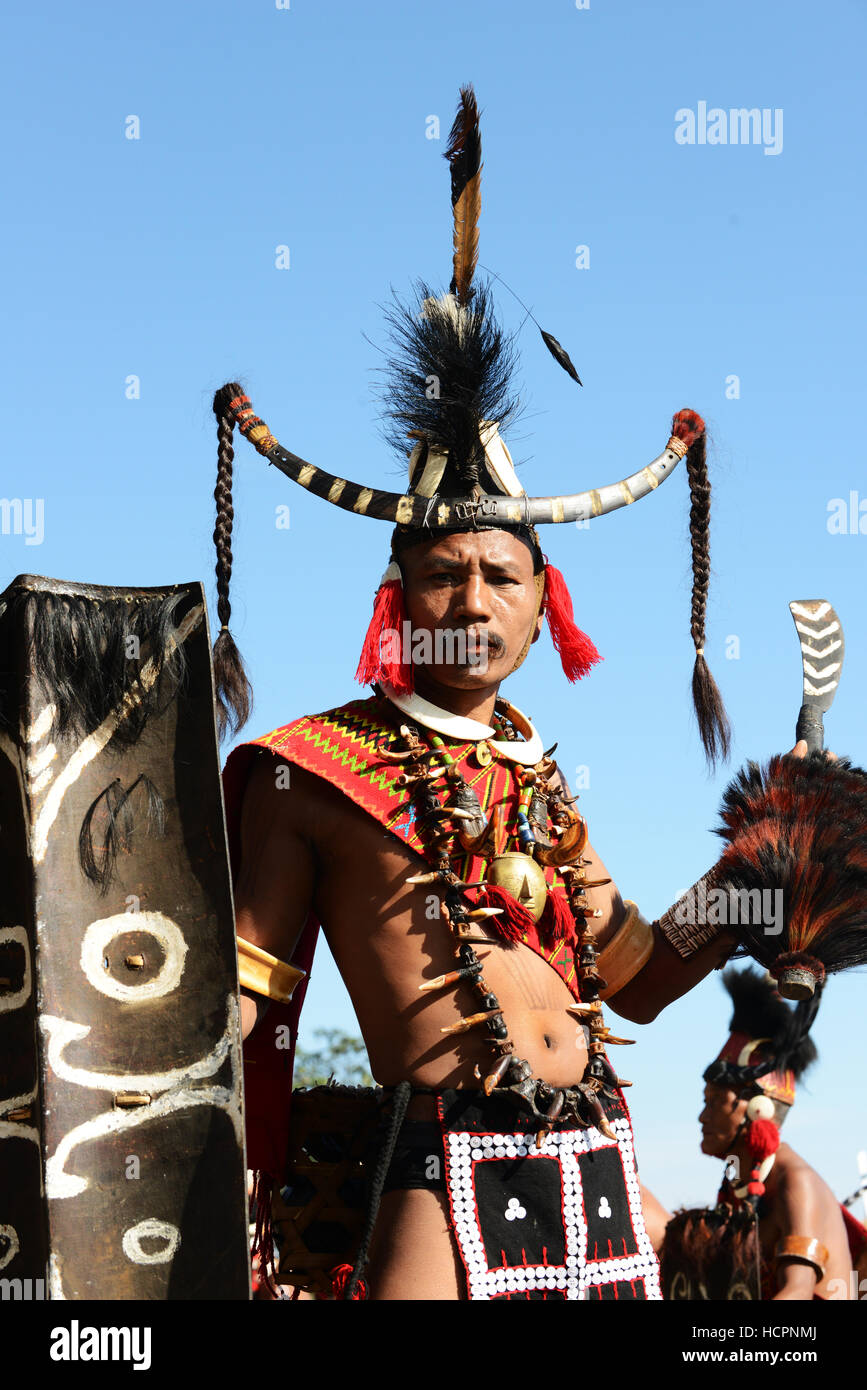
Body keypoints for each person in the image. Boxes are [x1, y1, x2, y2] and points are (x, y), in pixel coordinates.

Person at [213, 89, 867, 1301]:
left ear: (542, 601)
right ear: (394, 593)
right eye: (443, 573)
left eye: (498, 575)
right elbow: (238, 1024)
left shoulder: (540, 777)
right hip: (436, 1164)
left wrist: (757, 881)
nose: (470, 600)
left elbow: (628, 973)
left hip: (600, 1159)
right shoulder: (310, 772)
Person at [661, 967, 864, 1300]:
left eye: (714, 1102)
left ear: (758, 1109)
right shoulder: (739, 1183)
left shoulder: (794, 1182)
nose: (702, 1116)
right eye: (704, 1101)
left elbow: (797, 1292)